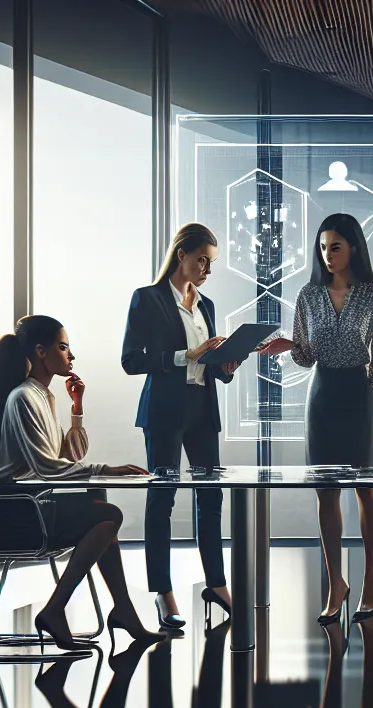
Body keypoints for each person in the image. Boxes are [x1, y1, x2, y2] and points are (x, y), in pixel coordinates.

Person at [0, 314, 162, 648]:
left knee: (104, 515)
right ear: (41, 351)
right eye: (63, 347)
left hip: (33, 504)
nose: (71, 356)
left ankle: (121, 610)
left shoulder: (42, 396)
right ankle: (56, 610)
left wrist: (76, 408)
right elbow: (47, 468)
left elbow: (71, 458)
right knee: (107, 515)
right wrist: (107, 470)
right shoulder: (24, 398)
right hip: (16, 511)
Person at [259, 213, 373, 624]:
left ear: (353, 247)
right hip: (320, 398)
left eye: (335, 246)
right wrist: (288, 344)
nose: (328, 254)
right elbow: (305, 354)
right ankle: (336, 582)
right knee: (325, 492)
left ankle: (370, 579)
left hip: (357, 396)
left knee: (366, 489)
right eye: (322, 247)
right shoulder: (308, 294)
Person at [121, 223, 242, 632]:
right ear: (181, 256)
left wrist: (226, 365)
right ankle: (163, 591)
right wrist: (183, 355)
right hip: (165, 412)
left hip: (202, 410)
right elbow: (131, 360)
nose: (207, 269)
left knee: (211, 500)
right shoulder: (148, 299)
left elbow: (209, 368)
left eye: (212, 262)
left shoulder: (205, 304)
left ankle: (217, 585)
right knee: (163, 501)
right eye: (202, 260)